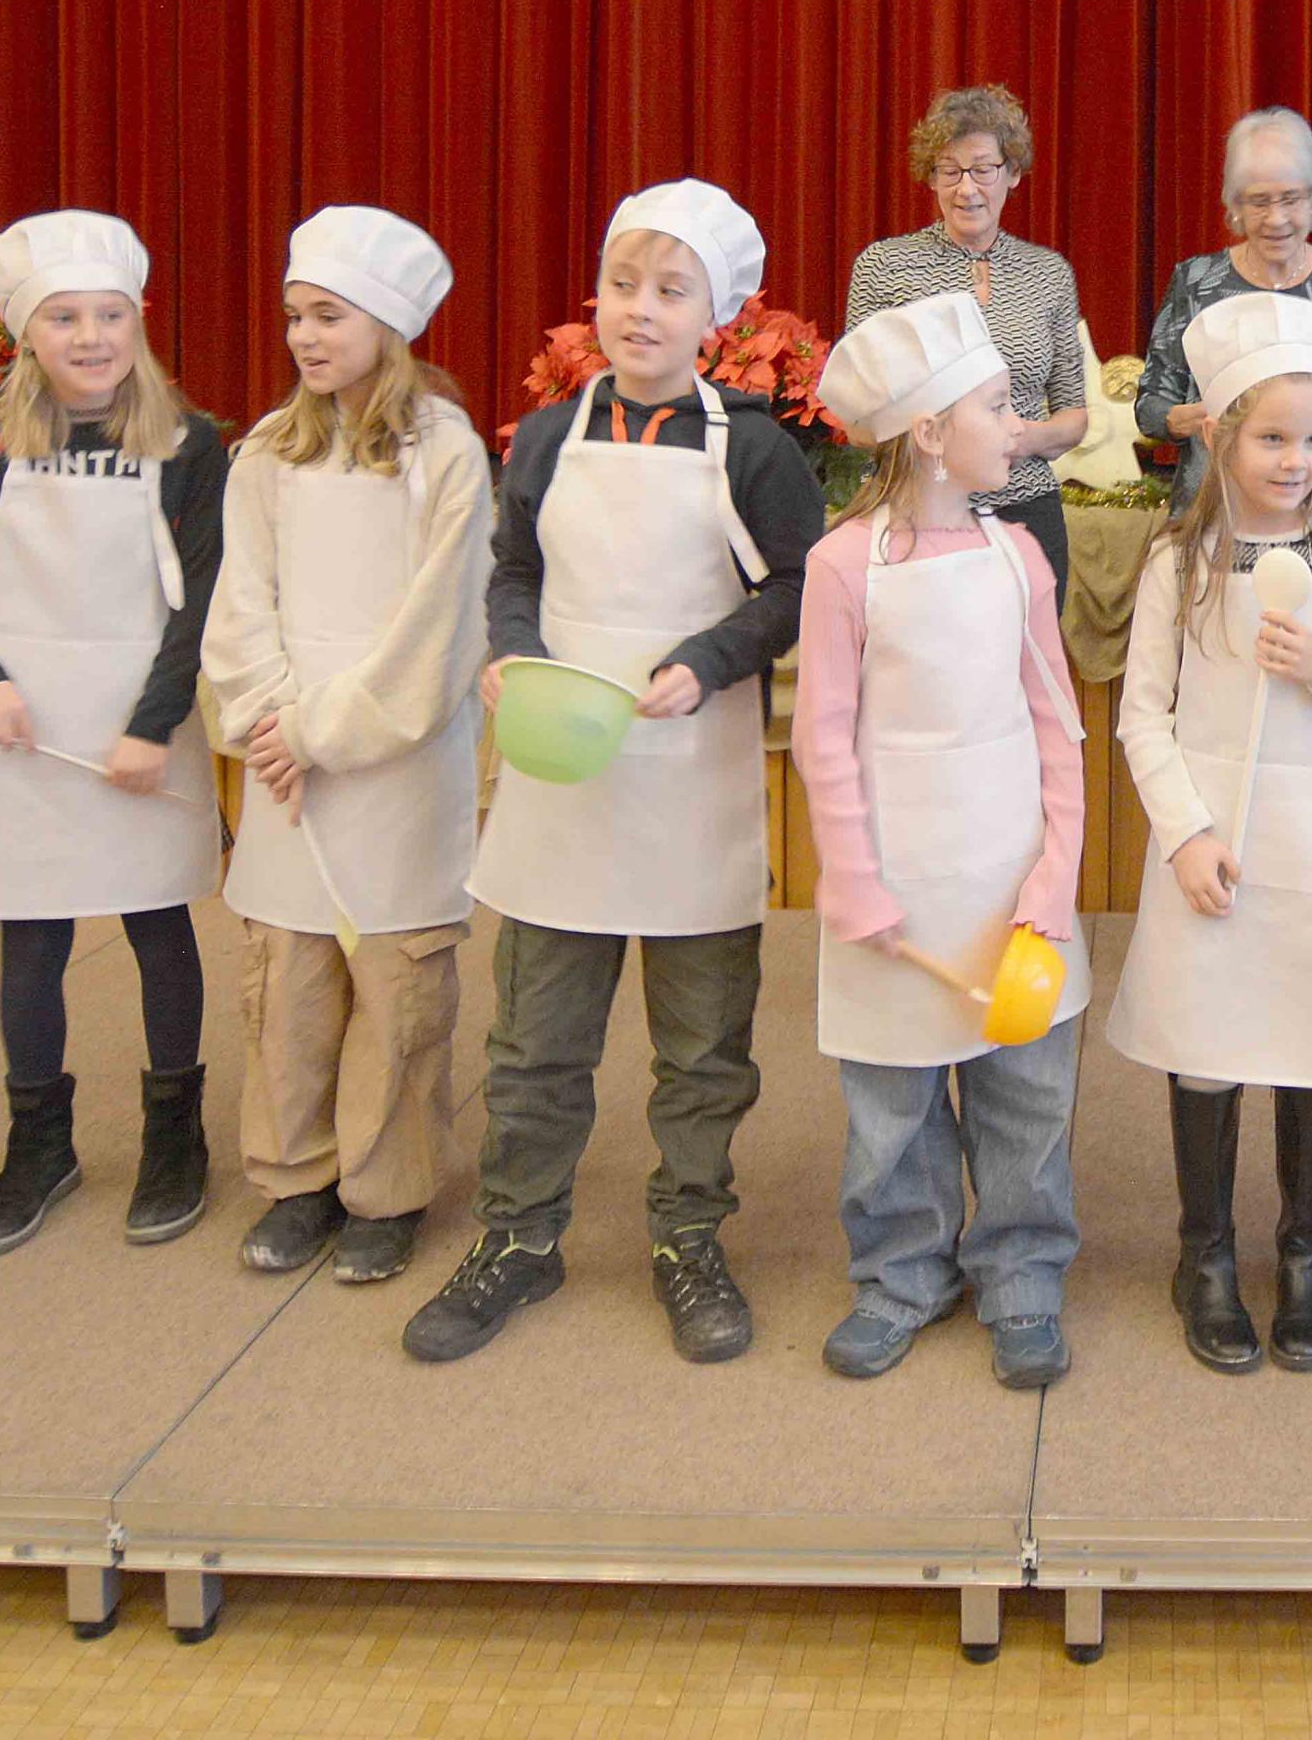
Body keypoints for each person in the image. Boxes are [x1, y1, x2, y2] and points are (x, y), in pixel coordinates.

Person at [415, 182, 820, 1368]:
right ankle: (517, 1235)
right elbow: (514, 572)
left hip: (691, 783)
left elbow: (797, 588)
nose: (641, 309)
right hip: (562, 783)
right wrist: (510, 650)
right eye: (622, 284)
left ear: (717, 313)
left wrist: (711, 659)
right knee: (534, 1041)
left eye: (670, 290)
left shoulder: (753, 449)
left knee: (702, 1050)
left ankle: (689, 1237)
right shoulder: (548, 437)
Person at [0, 210, 232, 1258]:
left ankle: (174, 1135)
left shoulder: (190, 446)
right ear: (28, 336)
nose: (89, 337)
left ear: (139, 323)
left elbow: (205, 601)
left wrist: (151, 727)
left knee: (158, 928)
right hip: (24, 735)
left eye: (108, 316)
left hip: (140, 729)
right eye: (65, 318)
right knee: (31, 937)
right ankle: (38, 1143)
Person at [1104, 291, 1312, 1373]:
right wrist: (1185, 834)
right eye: (1273, 439)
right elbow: (1142, 716)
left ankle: (1302, 1252)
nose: (1296, 461)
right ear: (1224, 438)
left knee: (1309, 1043)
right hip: (1213, 848)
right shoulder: (1179, 561)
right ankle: (1203, 1253)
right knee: (1208, 1046)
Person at [798, 291, 1092, 1389]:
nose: (1017, 427)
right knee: (893, 1106)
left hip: (1010, 882)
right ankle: (901, 1274)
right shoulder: (843, 567)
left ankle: (1022, 1272)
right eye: (999, 407)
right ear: (929, 431)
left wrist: (1056, 875)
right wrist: (854, 882)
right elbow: (823, 738)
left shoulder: (1018, 558)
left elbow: (1059, 728)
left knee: (1027, 1099)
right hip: (898, 892)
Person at [200, 210, 490, 1292]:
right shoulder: (268, 453)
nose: (304, 337)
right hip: (286, 757)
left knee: (395, 992)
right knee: (288, 984)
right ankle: (295, 1179)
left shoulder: (445, 454)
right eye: (294, 317)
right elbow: (241, 601)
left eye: (327, 316)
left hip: (394, 763)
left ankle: (385, 1190)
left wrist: (320, 732)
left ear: (386, 323)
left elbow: (439, 630)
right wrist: (268, 718)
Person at [844, 85, 1089, 605]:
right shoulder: (884, 267)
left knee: (1029, 651)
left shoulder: (1048, 274)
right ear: (930, 176)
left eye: (982, 169)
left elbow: (1073, 416)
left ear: (1012, 172)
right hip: (915, 510)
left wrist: (1015, 439)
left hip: (1026, 511)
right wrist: (948, 444)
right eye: (949, 171)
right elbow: (857, 420)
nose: (966, 188)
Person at [1131, 108, 1312, 517]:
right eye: (1259, 201)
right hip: (1216, 512)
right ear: (1236, 205)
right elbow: (1150, 406)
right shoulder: (1196, 282)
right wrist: (1195, 421)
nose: (1276, 219)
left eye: (1291, 199)